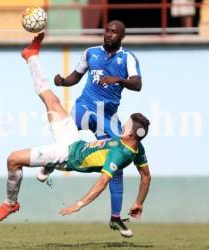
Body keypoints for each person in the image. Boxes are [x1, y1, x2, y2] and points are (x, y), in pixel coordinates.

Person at [0, 34, 151, 238]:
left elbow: (101, 183)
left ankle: (10, 203)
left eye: (125, 124)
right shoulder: (137, 146)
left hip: (67, 155)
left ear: (129, 132)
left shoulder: (120, 155)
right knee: (51, 100)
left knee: (13, 159)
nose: (122, 124)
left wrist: (79, 204)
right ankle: (31, 56)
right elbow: (146, 176)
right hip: (74, 141)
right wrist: (138, 203)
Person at [41, 20, 142, 236]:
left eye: (114, 32)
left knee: (118, 162)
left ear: (121, 36)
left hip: (108, 116)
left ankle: (115, 218)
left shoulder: (128, 58)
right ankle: (50, 163)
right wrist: (63, 82)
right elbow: (76, 76)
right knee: (63, 132)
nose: (108, 35)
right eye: (107, 31)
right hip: (85, 106)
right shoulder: (90, 53)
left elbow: (137, 84)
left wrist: (118, 79)